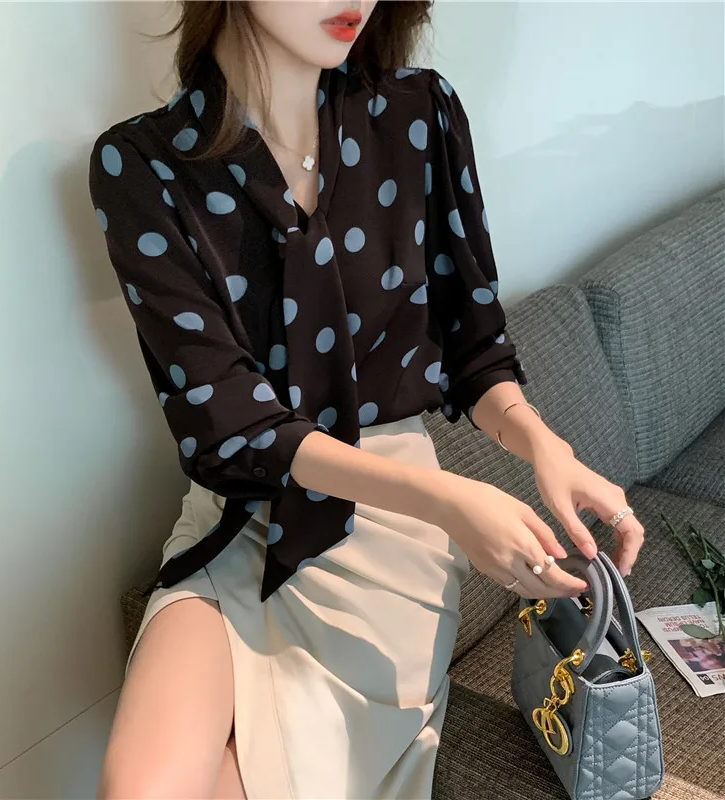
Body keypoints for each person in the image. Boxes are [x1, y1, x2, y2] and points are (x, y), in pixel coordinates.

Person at [88, 2, 646, 797]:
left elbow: (474, 347)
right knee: (141, 787)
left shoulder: (420, 115)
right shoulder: (142, 165)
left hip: (389, 545)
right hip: (242, 519)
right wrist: (449, 501)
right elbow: (229, 422)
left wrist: (542, 445)